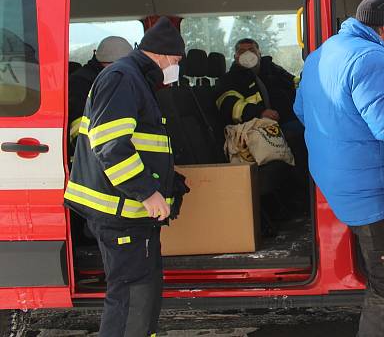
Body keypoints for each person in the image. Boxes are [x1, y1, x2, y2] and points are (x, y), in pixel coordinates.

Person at [294, 0, 384, 337]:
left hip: (338, 179)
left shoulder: (321, 54)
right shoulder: (371, 57)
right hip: (371, 192)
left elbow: (301, 111)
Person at [64, 17, 188, 337]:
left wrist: (167, 182)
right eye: (175, 61)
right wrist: (147, 192)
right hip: (120, 210)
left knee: (141, 293)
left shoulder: (135, 78)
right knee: (131, 295)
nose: (175, 68)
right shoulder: (123, 77)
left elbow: (140, 143)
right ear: (160, 55)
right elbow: (110, 145)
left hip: (128, 210)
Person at [214, 39, 307, 226]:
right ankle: (306, 199)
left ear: (259, 52)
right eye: (242, 51)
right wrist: (259, 112)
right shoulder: (230, 80)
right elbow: (228, 104)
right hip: (261, 130)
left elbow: (294, 83)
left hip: (290, 120)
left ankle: (302, 198)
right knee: (298, 139)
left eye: (251, 49)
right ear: (235, 56)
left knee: (307, 134)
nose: (247, 54)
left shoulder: (272, 69)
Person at [68, 36, 133, 155]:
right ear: (115, 64)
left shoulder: (110, 79)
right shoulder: (80, 83)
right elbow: (79, 133)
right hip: (92, 154)